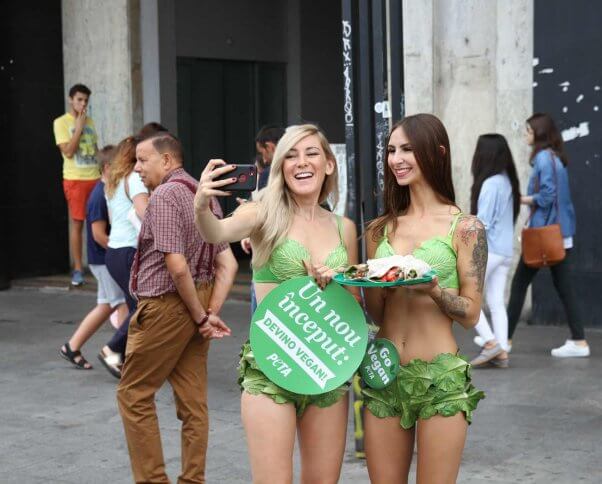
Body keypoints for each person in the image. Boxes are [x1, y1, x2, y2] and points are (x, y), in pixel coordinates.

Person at [194, 124, 359, 484]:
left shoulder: (344, 228)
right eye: (291, 155)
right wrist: (201, 204)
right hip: (273, 365)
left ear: (329, 164)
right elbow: (217, 233)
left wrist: (336, 283)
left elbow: (354, 306)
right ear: (280, 166)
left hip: (327, 367)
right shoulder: (263, 213)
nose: (302, 163)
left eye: (312, 153)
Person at [363, 114, 486, 483]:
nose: (396, 159)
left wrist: (432, 288)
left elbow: (470, 315)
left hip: (440, 377)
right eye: (391, 150)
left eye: (407, 149)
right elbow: (376, 312)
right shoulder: (380, 229)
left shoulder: (465, 227)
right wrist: (367, 282)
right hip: (383, 373)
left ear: (438, 153)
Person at [117, 133, 237, 484]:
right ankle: (192, 480)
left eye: (142, 160)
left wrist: (202, 316)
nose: (136, 169)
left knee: (134, 394)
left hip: (167, 307)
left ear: (167, 160)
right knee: (193, 405)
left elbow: (178, 266)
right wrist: (209, 311)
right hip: (196, 301)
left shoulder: (166, 195)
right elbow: (227, 265)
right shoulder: (205, 194)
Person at [506, 113, 588, 357]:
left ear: (539, 134)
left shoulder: (543, 158)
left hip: (546, 233)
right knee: (563, 287)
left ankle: (504, 340)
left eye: (529, 131)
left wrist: (522, 199)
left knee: (520, 283)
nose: (525, 135)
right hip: (559, 233)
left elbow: (547, 197)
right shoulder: (554, 158)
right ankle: (579, 340)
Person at [59, 145, 128, 369]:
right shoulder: (99, 196)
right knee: (124, 305)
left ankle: (72, 346)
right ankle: (115, 354)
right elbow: (99, 236)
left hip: (103, 260)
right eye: (121, 167)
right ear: (107, 168)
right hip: (104, 260)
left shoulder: (106, 191)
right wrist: (119, 252)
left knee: (106, 305)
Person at [97, 136, 149, 378]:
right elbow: (144, 212)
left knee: (134, 306)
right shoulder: (135, 179)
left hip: (113, 252)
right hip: (129, 251)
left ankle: (129, 359)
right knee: (143, 307)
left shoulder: (114, 182)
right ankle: (112, 350)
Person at [468, 134, 521, 368]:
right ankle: (501, 352)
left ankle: (491, 344)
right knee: (497, 301)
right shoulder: (507, 180)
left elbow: (483, 223)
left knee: (467, 297)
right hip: (506, 251)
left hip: (489, 251)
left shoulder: (490, 184)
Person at [53, 83, 100, 286]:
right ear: (70, 99)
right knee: (78, 223)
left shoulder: (91, 121)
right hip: (75, 179)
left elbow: (94, 149)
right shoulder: (61, 122)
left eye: (86, 100)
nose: (82, 104)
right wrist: (78, 127)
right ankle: (78, 269)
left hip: (95, 177)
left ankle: (99, 265)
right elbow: (69, 151)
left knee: (98, 222)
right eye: (79, 99)